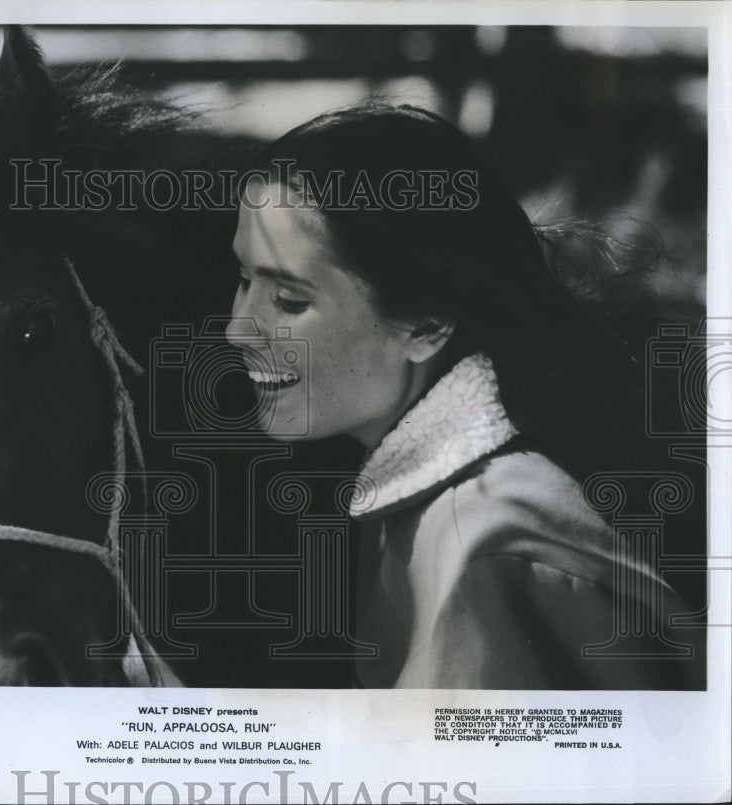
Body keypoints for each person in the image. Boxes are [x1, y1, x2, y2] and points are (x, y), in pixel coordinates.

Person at [225, 104, 704, 689]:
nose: (237, 330)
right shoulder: (429, 508)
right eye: (245, 280)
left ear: (426, 325)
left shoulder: (486, 554)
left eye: (289, 301)